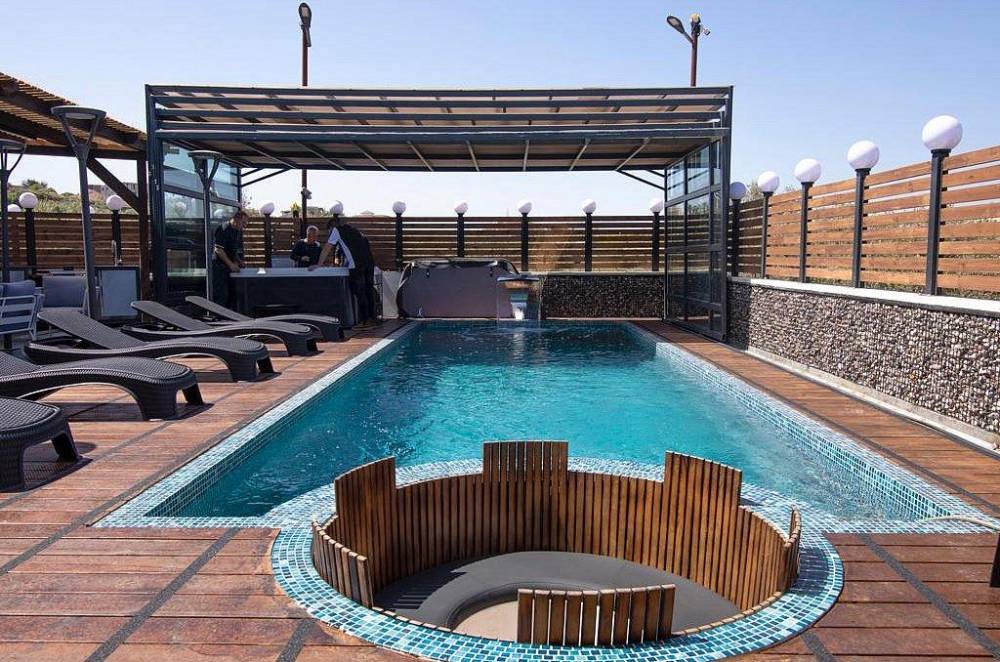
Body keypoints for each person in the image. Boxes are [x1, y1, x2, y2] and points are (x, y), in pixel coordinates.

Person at [310, 215, 377, 325]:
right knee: (368, 290)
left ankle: (365, 321)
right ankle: (373, 318)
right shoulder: (354, 230)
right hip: (369, 264)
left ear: (331, 228)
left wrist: (319, 264)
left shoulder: (336, 230)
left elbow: (327, 248)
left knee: (359, 292)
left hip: (356, 266)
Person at [211, 209, 248, 306]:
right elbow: (218, 249)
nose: (245, 225)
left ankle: (230, 313)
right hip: (219, 266)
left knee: (233, 294)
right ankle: (218, 314)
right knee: (222, 295)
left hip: (228, 266)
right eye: (243, 222)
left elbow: (232, 249)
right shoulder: (223, 229)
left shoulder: (237, 231)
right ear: (236, 220)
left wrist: (239, 261)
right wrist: (231, 265)